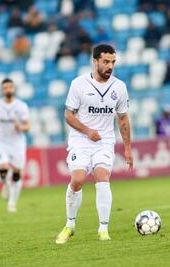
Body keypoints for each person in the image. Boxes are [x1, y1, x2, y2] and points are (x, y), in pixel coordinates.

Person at [55, 44, 134, 244]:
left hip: (104, 141)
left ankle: (103, 229)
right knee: (78, 179)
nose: (110, 66)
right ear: (95, 61)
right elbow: (68, 115)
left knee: (102, 176)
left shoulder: (119, 87)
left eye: (113, 62)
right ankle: (70, 225)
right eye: (106, 62)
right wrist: (88, 131)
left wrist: (127, 148)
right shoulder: (78, 84)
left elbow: (123, 119)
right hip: (80, 140)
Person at [0, 78, 30, 212]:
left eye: (10, 87)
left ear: (14, 88)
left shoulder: (21, 106)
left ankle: (12, 203)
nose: (8, 89)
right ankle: (5, 184)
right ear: (2, 89)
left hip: (17, 144)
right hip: (1, 142)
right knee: (3, 168)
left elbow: (28, 126)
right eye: (5, 87)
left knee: (16, 173)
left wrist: (20, 127)